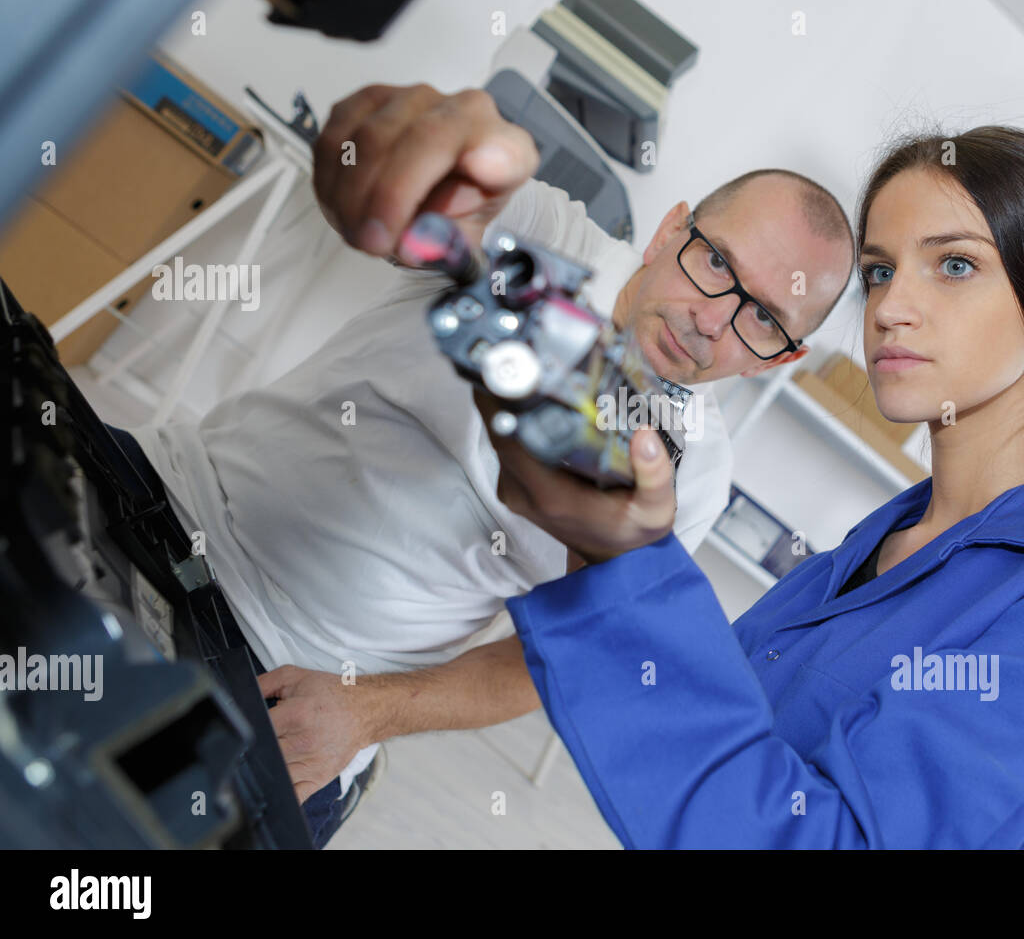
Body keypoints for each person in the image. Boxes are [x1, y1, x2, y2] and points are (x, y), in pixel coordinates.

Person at [121, 83, 857, 846]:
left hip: (305, 684)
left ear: (784, 357)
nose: (713, 319)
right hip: (167, 494)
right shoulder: (543, 236)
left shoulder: (694, 475)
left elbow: (556, 661)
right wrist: (424, 146)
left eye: (763, 318)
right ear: (672, 229)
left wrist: (368, 711)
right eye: (714, 261)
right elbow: (436, 203)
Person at [478, 126, 1024, 848]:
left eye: (956, 265)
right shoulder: (864, 556)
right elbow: (698, 752)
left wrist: (632, 563)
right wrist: (600, 530)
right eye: (879, 272)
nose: (890, 309)